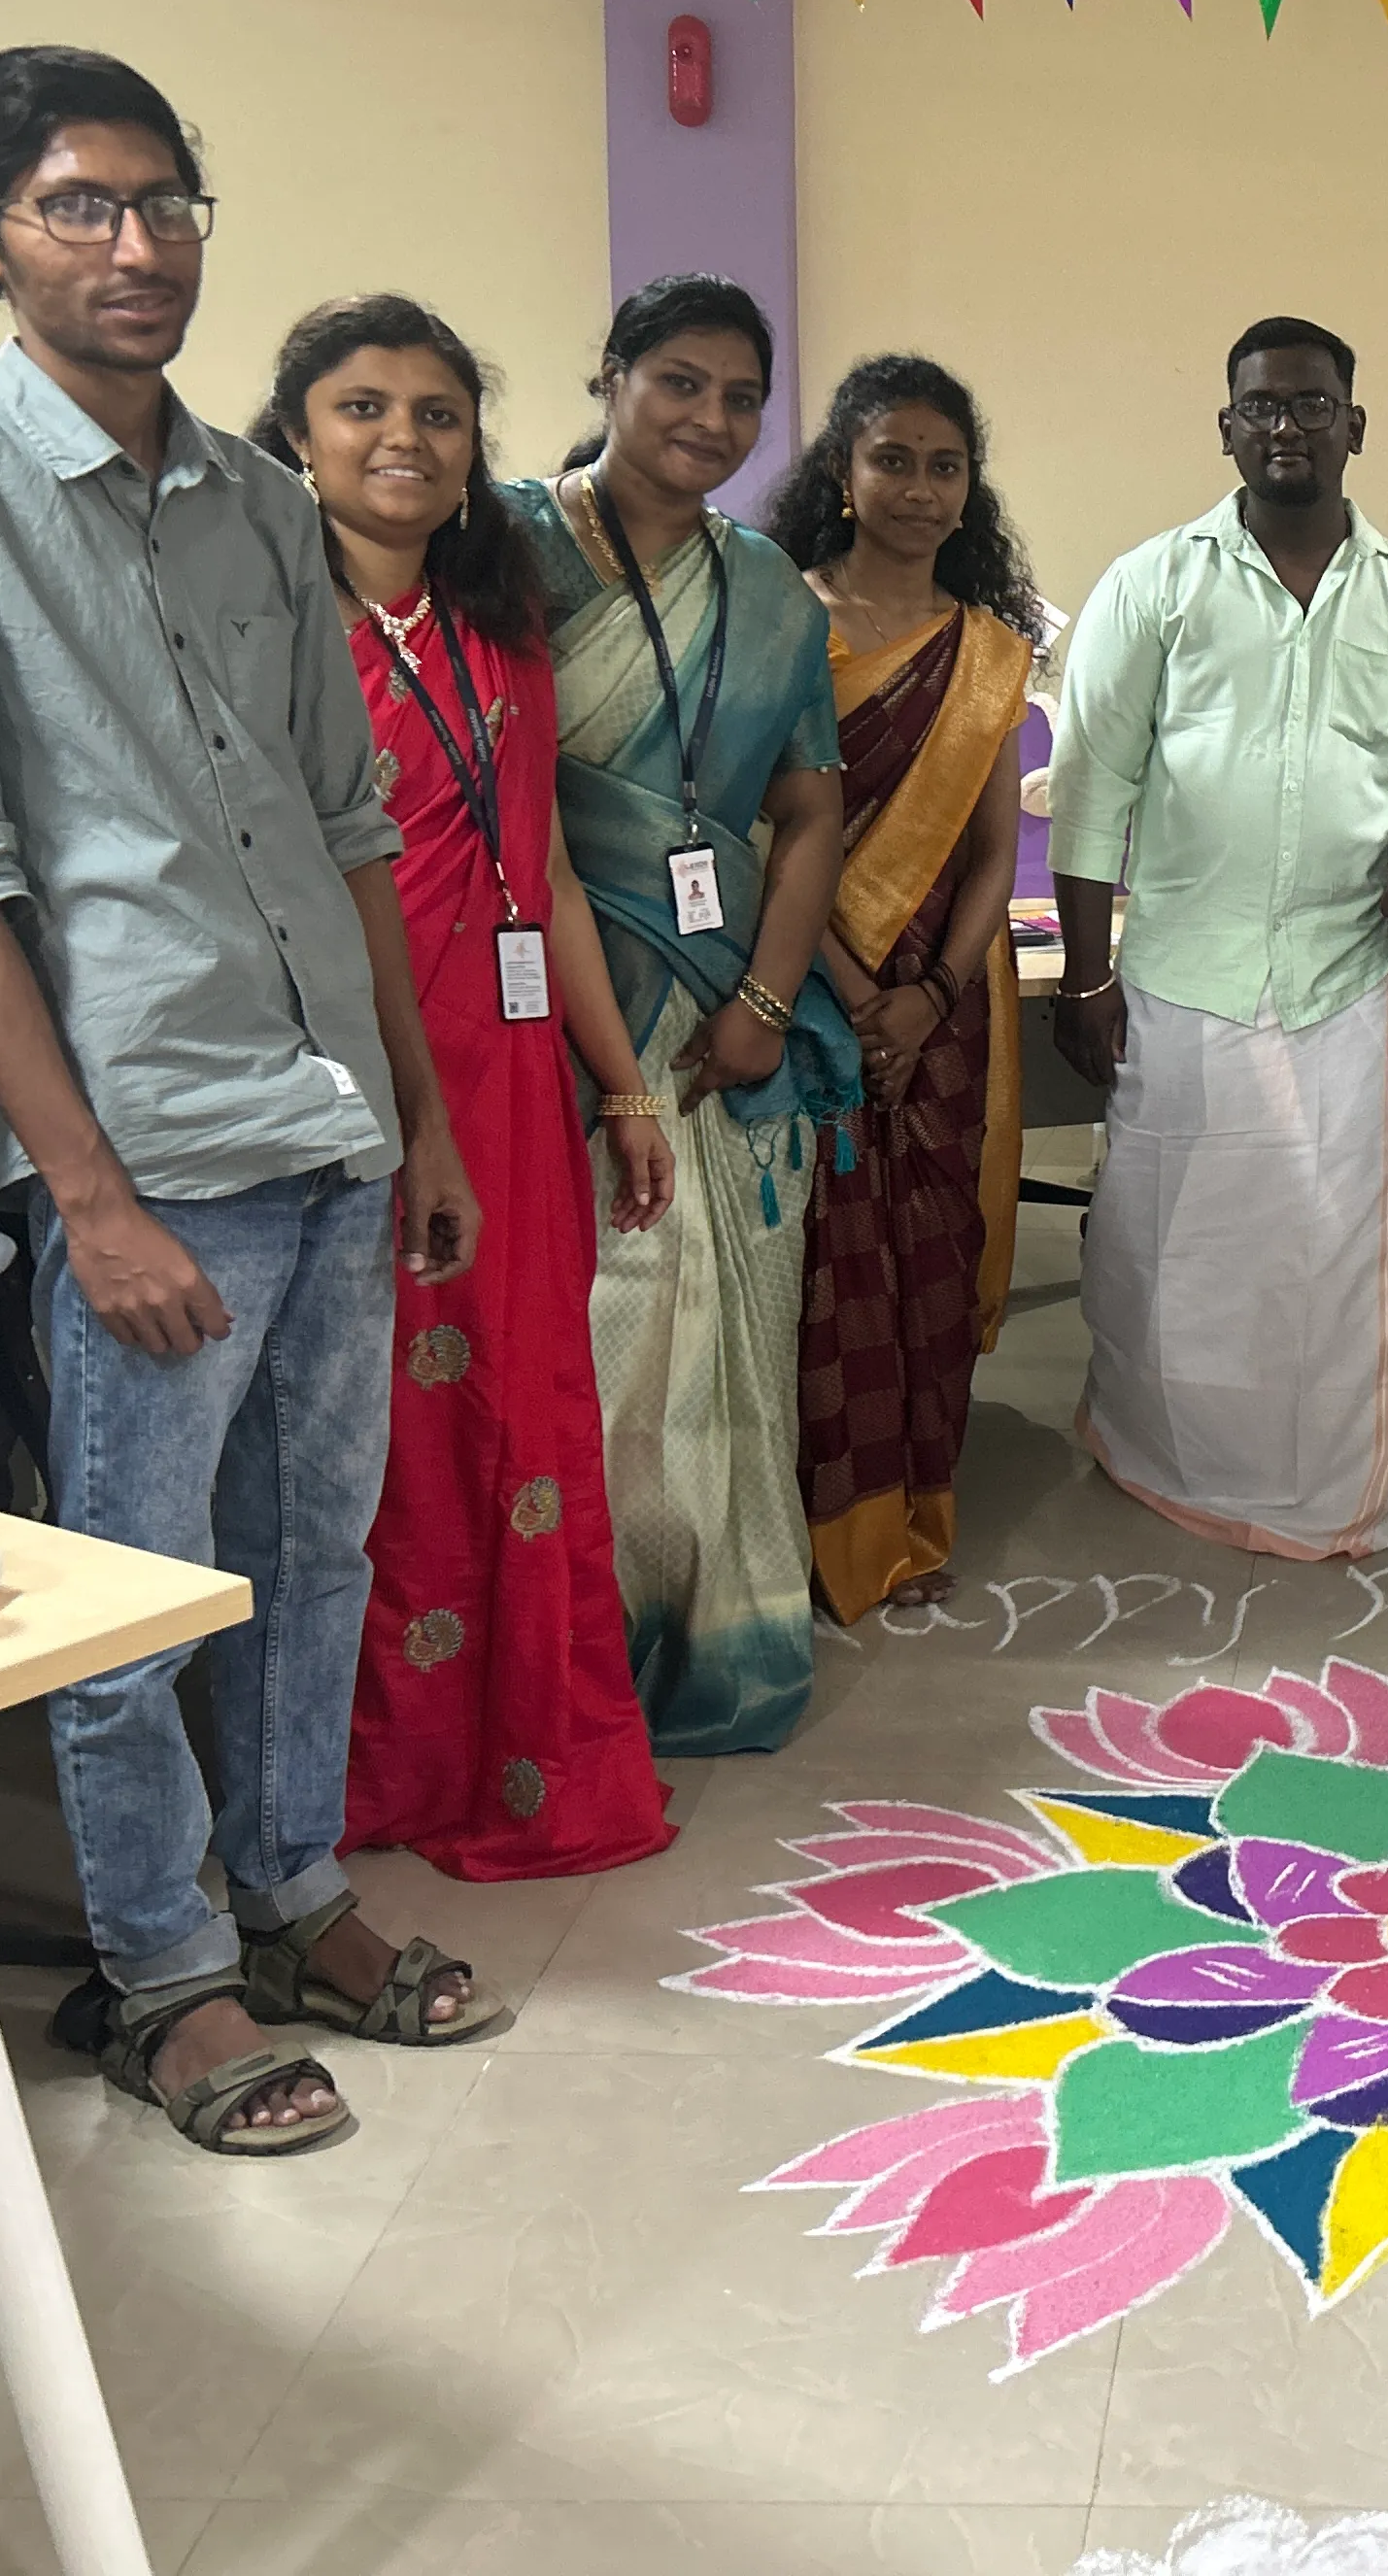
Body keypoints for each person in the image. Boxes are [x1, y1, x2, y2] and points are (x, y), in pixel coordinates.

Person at [0, 48, 501, 2157]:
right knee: (135, 1589)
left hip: (331, 1129)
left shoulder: (267, 504)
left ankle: (289, 1895)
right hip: (151, 1158)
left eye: (168, 205)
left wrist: (429, 1118)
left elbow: (349, 823)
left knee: (315, 1547)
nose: (137, 247)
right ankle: (160, 1973)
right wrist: (90, 1198)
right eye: (81, 208)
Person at [252, 295, 675, 1885]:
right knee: (383, 1439)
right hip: (361, 1077)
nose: (404, 439)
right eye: (363, 407)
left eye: (438, 413)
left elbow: (547, 865)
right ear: (297, 432)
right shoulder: (268, 636)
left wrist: (621, 1085)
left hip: (510, 1075)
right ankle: (380, 1773)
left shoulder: (500, 632)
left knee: (528, 1410)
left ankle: (531, 1748)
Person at [1049, 317, 1388, 1559]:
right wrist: (1086, 977)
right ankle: (1167, 1457)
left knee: (1342, 1260)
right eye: (1262, 407)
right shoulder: (1153, 583)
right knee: (1173, 1250)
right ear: (1227, 429)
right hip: (1183, 980)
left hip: (1351, 985)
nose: (1287, 427)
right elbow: (1093, 791)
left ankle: (1336, 1493)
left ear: (1355, 427)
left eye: (1312, 406)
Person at [507, 276, 861, 1757]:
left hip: (727, 1009)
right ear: (608, 378)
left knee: (733, 1345)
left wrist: (772, 1004)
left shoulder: (772, 589)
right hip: (545, 1003)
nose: (710, 419)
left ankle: (722, 1637)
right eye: (679, 383)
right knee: (591, 1341)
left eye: (740, 397)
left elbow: (808, 804)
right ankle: (574, 1656)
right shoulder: (507, 550)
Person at [765, 356, 1042, 1617]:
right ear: (841, 471)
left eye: (946, 467)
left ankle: (911, 1521)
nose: (920, 489)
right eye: (894, 460)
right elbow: (767, 833)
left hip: (945, 1006)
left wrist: (927, 993)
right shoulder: (781, 620)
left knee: (927, 1267)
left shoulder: (989, 653)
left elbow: (994, 849)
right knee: (810, 1262)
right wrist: (843, 982)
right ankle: (800, 1531)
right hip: (797, 984)